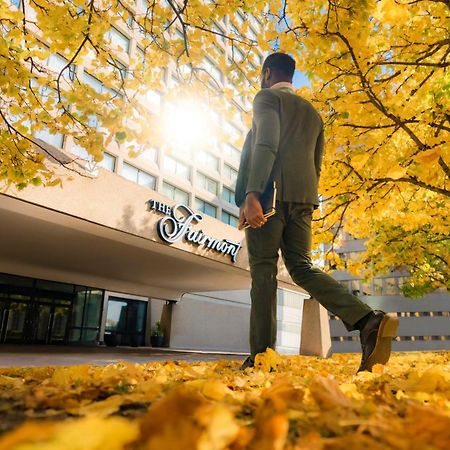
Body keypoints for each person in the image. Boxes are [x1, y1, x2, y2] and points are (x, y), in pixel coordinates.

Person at [235, 52, 398, 372]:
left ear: (267, 73)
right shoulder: (313, 114)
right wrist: (304, 200)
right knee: (302, 268)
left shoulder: (266, 97)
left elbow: (266, 142)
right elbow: (316, 164)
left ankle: (261, 359)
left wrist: (253, 193)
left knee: (264, 272)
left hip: (269, 198)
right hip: (304, 201)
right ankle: (367, 320)